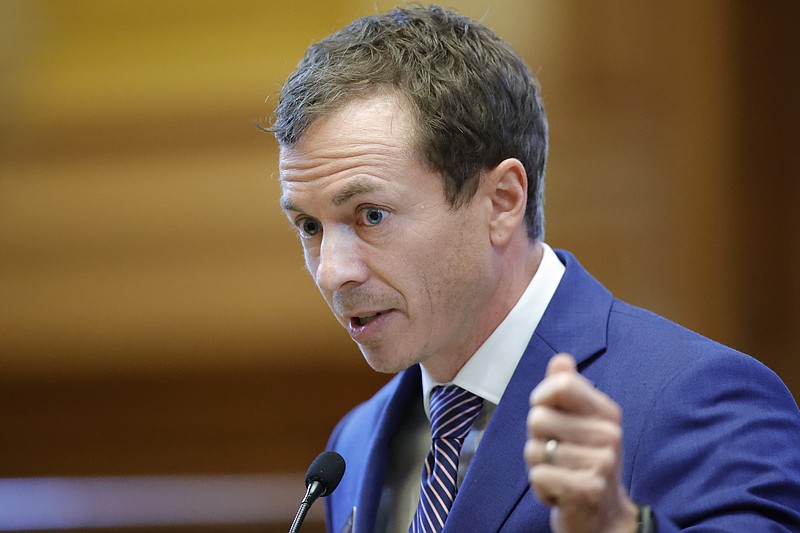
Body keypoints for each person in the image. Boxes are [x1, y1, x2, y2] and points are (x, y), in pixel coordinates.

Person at [269, 5, 800, 532]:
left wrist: (620, 527)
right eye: (310, 227)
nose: (333, 272)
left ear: (501, 201)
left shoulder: (698, 397)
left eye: (371, 215)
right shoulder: (353, 444)